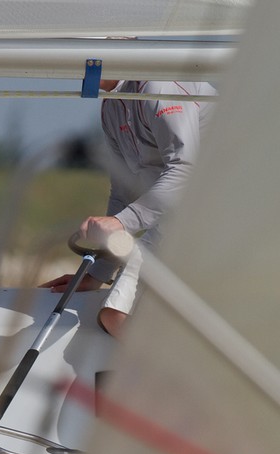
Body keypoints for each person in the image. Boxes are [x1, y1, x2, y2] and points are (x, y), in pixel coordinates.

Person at [40, 80, 216, 337]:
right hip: (181, 217)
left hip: (213, 210)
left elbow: (184, 171)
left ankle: (174, 377)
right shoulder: (111, 107)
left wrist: (123, 223)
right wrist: (98, 273)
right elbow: (123, 193)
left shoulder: (160, 86)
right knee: (119, 315)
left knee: (117, 315)